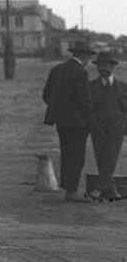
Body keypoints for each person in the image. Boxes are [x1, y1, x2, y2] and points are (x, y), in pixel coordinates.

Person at [43, 40, 95, 202]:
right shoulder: (80, 73)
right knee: (77, 156)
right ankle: (72, 191)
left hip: (61, 122)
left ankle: (68, 188)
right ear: (85, 57)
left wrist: (60, 110)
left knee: (66, 153)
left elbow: (46, 95)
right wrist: (90, 120)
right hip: (78, 123)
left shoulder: (57, 69)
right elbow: (84, 101)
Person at [87, 51, 127, 202]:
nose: (102, 68)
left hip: (117, 127)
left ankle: (99, 188)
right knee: (101, 158)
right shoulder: (92, 86)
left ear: (112, 67)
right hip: (98, 127)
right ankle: (111, 190)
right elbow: (87, 108)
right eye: (100, 66)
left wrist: (124, 123)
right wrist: (93, 123)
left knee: (110, 157)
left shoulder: (123, 86)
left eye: (106, 65)